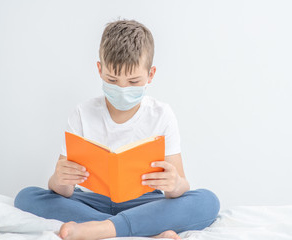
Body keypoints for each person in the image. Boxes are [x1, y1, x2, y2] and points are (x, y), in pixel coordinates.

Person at [14, 19, 220, 240]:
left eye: (133, 81)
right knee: (26, 197)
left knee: (207, 201)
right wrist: (59, 179)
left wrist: (175, 184)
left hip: (145, 203)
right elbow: (62, 190)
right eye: (112, 80)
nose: (122, 89)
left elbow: (178, 188)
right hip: (91, 201)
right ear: (100, 70)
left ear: (150, 75)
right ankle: (140, 230)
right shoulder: (82, 113)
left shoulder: (162, 114)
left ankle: (101, 229)